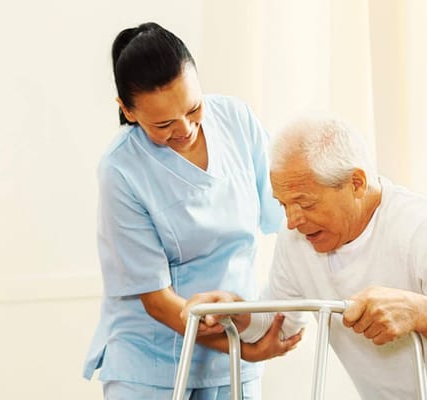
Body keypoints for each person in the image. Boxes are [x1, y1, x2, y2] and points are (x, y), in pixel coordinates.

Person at [184, 117, 427, 399]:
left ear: (356, 183)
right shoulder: (297, 241)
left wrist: (424, 312)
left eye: (305, 204)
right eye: (283, 205)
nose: (292, 220)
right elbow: (278, 325)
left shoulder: (421, 232)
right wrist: (234, 310)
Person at [82, 22, 299, 399]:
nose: (185, 129)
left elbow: (288, 217)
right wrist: (246, 348)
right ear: (128, 111)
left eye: (194, 108)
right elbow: (158, 301)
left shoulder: (237, 121)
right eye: (163, 124)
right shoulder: (121, 171)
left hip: (234, 358)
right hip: (152, 365)